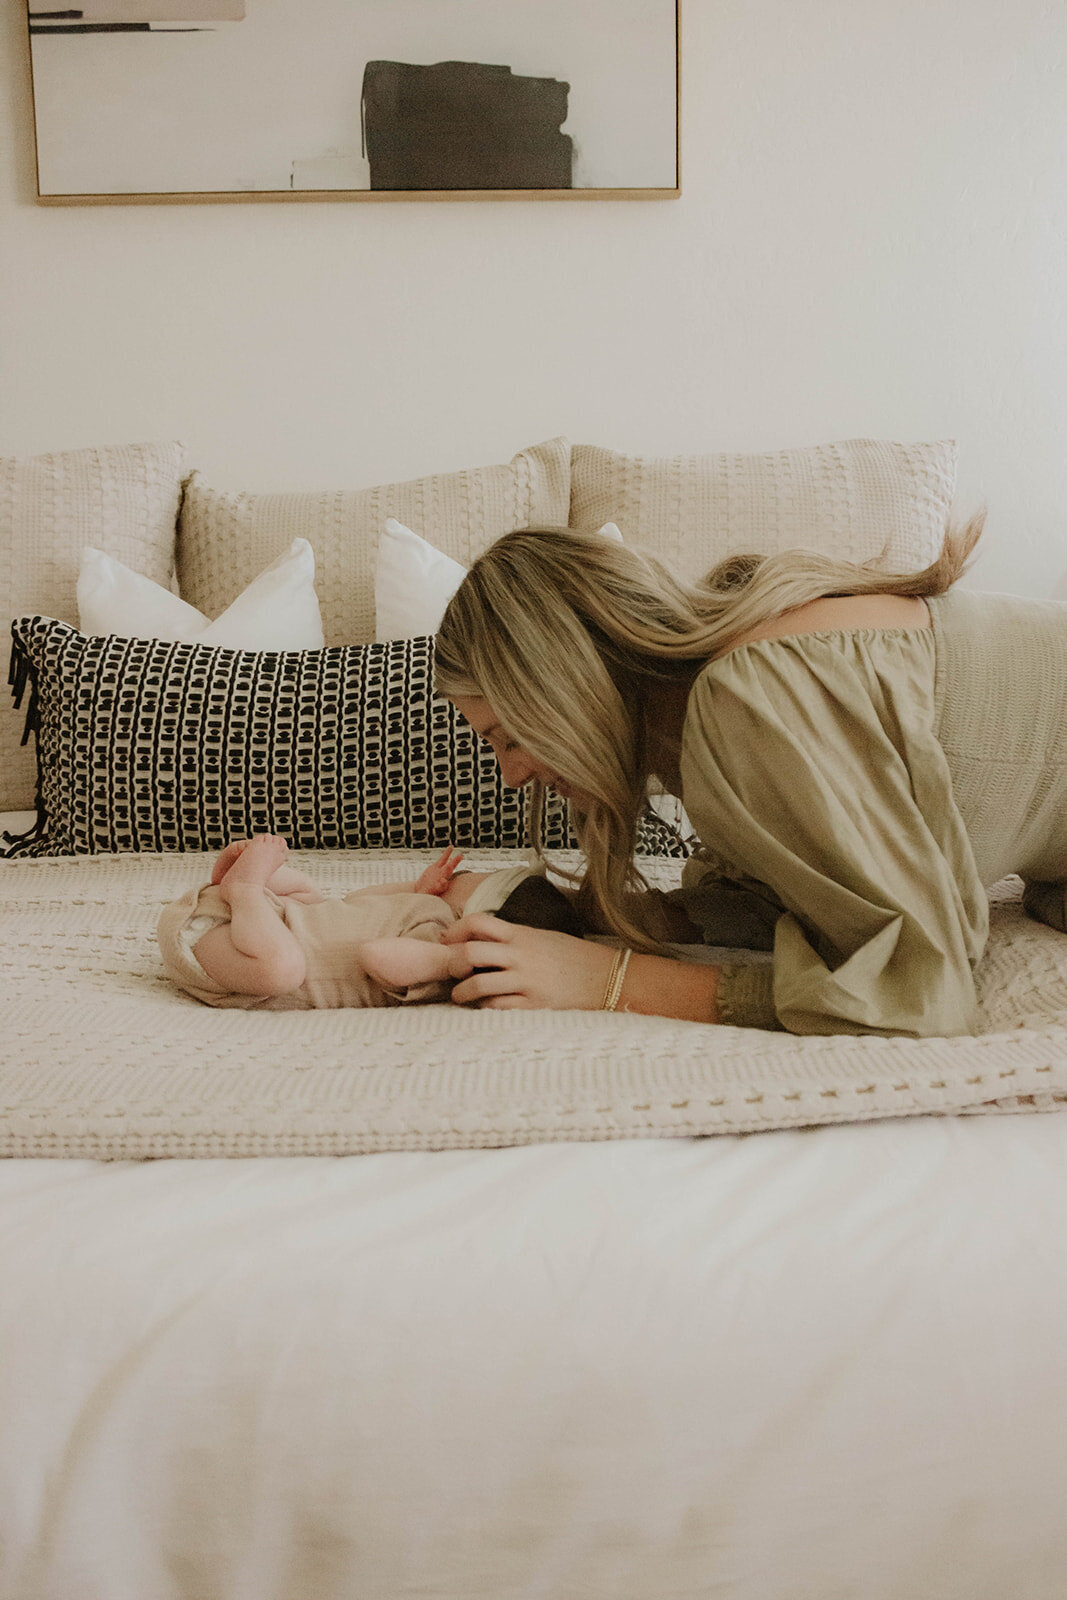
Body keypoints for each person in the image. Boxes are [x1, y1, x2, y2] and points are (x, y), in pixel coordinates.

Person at [432, 517, 1067, 1037]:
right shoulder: (726, 690)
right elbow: (806, 891)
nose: (511, 776)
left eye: (509, 738)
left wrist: (608, 979)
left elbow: (919, 993)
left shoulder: (748, 694)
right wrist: (583, 913)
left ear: (567, 690)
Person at [158, 834, 584, 1009]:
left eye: (471, 889)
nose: (459, 885)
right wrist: (414, 891)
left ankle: (244, 885)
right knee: (315, 896)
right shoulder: (428, 912)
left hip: (232, 955)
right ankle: (242, 884)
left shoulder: (439, 958)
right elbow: (356, 902)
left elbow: (376, 955)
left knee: (284, 969)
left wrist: (453, 962)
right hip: (253, 923)